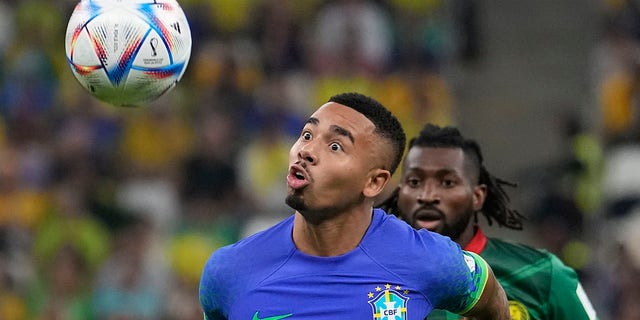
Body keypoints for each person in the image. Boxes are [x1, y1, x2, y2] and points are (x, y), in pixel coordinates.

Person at [199, 92, 510, 319]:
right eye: (307, 134)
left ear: (374, 182)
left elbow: (492, 299)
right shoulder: (228, 272)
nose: (306, 151)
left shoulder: (429, 260)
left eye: (335, 146)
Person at [379, 123, 599, 320]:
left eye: (447, 182)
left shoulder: (542, 274)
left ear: (477, 196)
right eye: (415, 181)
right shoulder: (368, 276)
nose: (427, 195)